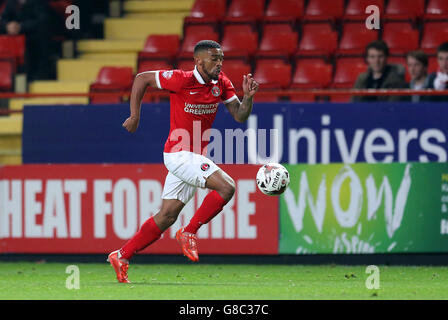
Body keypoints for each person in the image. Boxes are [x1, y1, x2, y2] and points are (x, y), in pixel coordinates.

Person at [107, 40, 259, 283]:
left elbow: (240, 116)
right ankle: (189, 232)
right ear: (198, 61)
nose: (219, 63)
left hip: (194, 157)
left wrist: (248, 98)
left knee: (167, 215)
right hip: (178, 154)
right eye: (214, 58)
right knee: (227, 186)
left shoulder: (222, 83)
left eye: (221, 58)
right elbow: (142, 78)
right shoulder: (181, 79)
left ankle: (121, 255)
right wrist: (135, 115)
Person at [0, 0, 52, 80]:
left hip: (34, 36)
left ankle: (38, 75)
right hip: (16, 37)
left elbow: (43, 20)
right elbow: (3, 19)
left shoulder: (39, 2)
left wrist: (21, 27)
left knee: (39, 38)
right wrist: (7, 26)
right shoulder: (11, 2)